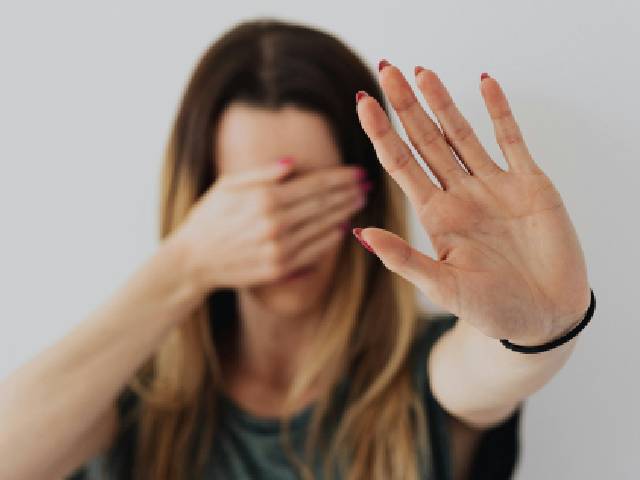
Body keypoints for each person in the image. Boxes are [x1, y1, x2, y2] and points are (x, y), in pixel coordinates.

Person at [0, 17, 593, 480]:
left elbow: (493, 367)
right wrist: (185, 266)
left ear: (364, 197)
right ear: (199, 203)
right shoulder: (128, 397)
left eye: (317, 196)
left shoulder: (420, 376)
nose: (279, 230)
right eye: (252, 198)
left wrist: (545, 326)